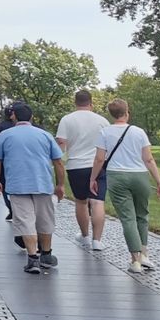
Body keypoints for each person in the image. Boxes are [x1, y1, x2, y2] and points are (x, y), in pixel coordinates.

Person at [90, 98, 160, 274]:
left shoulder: (105, 133)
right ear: (127, 112)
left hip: (117, 176)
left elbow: (100, 159)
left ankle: (135, 260)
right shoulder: (139, 132)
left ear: (111, 114)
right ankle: (144, 253)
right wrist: (159, 182)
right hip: (140, 175)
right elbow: (148, 159)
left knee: (128, 218)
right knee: (142, 215)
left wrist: (93, 178)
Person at [0, 102, 66, 275]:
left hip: (17, 185)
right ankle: (46, 254)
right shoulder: (45, 135)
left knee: (25, 221)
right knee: (45, 220)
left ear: (13, 116)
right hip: (42, 184)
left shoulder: (5, 135)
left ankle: (32, 259)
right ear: (31, 117)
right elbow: (58, 162)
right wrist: (60, 185)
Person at [56, 89, 110, 251]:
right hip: (97, 165)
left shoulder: (67, 120)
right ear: (91, 103)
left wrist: (60, 159)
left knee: (81, 201)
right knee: (97, 201)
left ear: (75, 102)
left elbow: (61, 143)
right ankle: (97, 240)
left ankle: (85, 235)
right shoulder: (102, 121)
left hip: (76, 165)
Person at [0, 105, 18, 223]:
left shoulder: (0, 127)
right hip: (18, 160)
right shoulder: (21, 126)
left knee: (5, 185)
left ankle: (11, 208)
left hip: (4, 161)